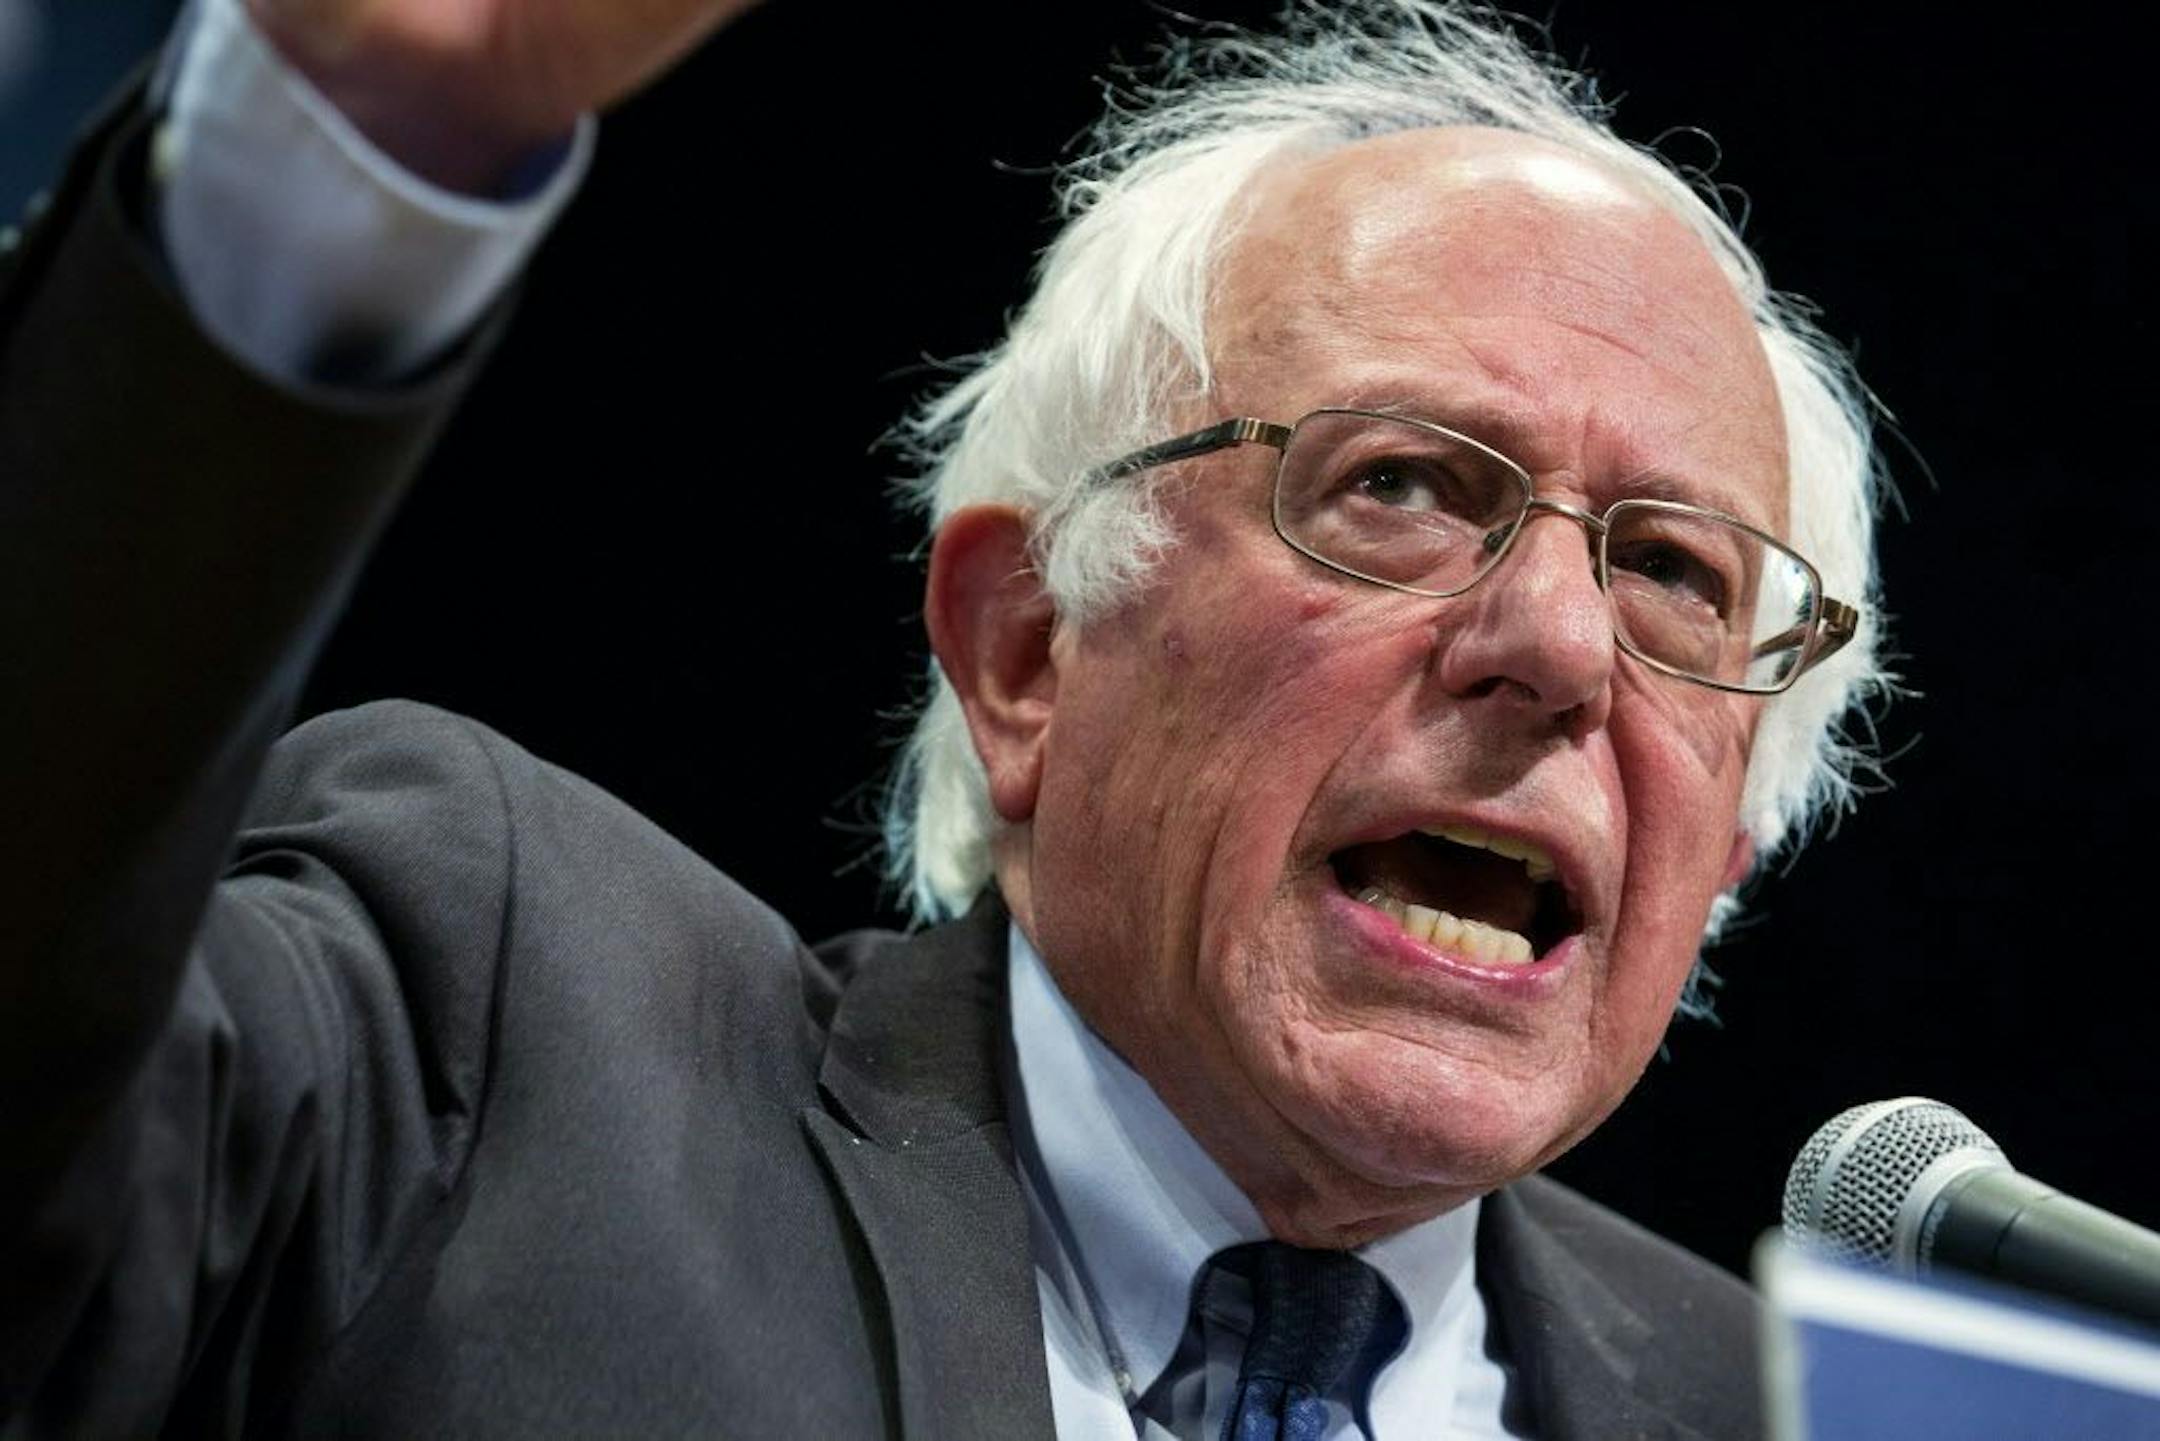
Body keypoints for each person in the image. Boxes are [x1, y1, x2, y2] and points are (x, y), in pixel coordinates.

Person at [0, 0, 1888, 1435]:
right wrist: (356, 142)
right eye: (1400, 484)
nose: (1557, 639)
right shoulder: (495, 1037)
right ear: (1025, 650)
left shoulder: (1812, 1415)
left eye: (1677, 574)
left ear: (1724, 843)